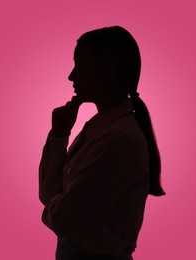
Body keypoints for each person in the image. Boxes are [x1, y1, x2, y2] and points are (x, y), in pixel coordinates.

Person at [39, 26, 165, 260]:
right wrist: (58, 135)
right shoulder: (101, 130)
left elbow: (65, 220)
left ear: (106, 71)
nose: (71, 76)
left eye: (79, 65)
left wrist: (54, 208)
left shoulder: (118, 141)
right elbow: (48, 194)